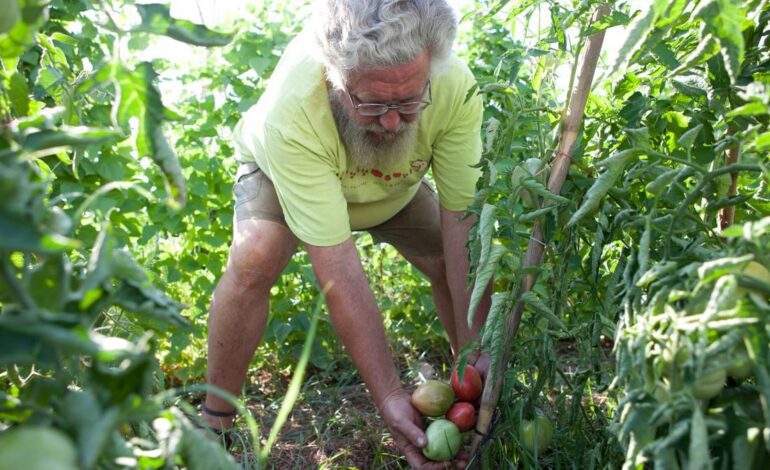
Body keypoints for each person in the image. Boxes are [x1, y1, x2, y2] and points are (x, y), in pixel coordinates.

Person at [202, 0, 490, 467]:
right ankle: (214, 420)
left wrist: (481, 355)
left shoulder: (455, 86)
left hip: (392, 185)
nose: (393, 121)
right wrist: (391, 397)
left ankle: (472, 383)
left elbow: (463, 224)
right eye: (372, 103)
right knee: (255, 255)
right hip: (289, 174)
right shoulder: (294, 105)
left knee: (445, 255)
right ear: (334, 79)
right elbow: (336, 265)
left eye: (409, 101)